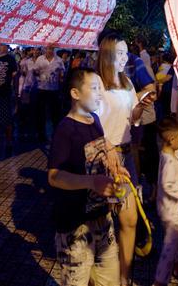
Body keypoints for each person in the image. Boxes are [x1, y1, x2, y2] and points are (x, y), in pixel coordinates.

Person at [48, 68, 123, 286]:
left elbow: (99, 148)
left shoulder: (95, 119)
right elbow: (54, 176)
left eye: (101, 88)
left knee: (109, 281)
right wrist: (91, 182)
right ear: (75, 93)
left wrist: (113, 158)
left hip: (102, 218)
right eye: (94, 88)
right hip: (75, 226)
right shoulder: (65, 129)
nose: (100, 93)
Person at [96, 33, 156, 284]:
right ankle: (103, 275)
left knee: (129, 218)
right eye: (119, 52)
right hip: (103, 157)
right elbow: (90, 121)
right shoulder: (95, 83)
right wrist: (107, 148)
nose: (124, 57)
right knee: (104, 222)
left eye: (125, 52)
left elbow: (132, 118)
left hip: (126, 154)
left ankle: (125, 275)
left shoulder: (128, 82)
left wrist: (142, 105)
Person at [153, 116, 178, 286]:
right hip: (171, 210)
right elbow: (167, 185)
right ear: (171, 139)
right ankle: (160, 279)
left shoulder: (166, 153)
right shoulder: (169, 161)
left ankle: (177, 263)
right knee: (170, 244)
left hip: (167, 207)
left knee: (174, 239)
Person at [34, 45, 65, 143]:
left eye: (51, 49)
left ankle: (56, 133)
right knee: (40, 112)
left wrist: (60, 76)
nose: (50, 50)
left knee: (55, 113)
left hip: (53, 89)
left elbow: (62, 73)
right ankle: (41, 134)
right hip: (41, 88)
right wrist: (38, 73)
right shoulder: (40, 59)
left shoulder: (59, 60)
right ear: (45, 49)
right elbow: (35, 72)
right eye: (48, 48)